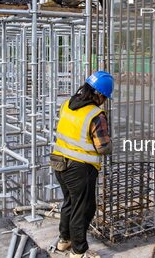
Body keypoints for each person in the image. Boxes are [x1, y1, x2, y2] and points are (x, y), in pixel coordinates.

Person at [50, 71, 113, 258]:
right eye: (104, 97)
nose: (104, 101)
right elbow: (103, 147)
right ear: (99, 94)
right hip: (79, 167)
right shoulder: (95, 114)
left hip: (59, 162)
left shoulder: (67, 104)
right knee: (83, 208)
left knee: (69, 202)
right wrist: (111, 144)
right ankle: (79, 251)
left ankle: (64, 240)